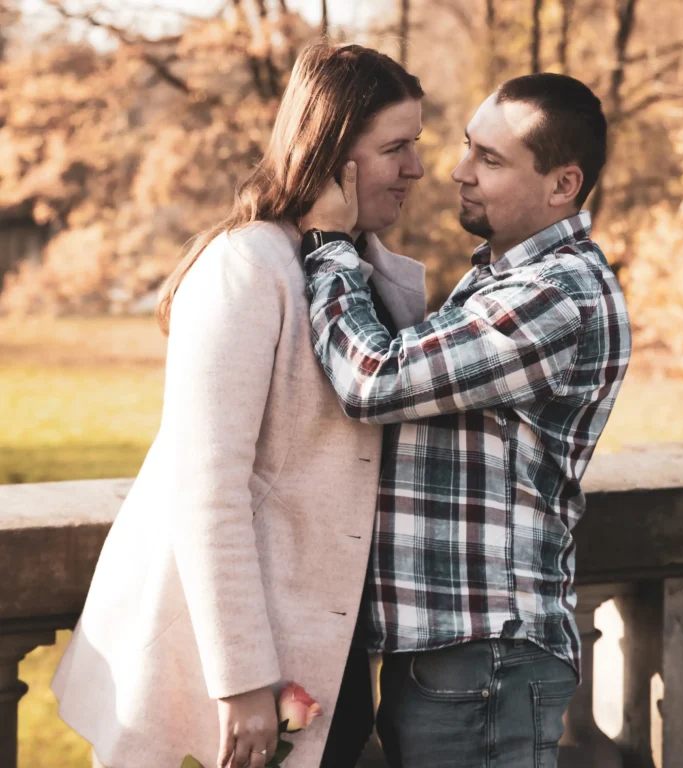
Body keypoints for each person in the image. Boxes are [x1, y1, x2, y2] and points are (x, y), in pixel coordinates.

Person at [51, 41, 426, 768]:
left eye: (417, 144)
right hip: (234, 666)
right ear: (333, 157)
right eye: (395, 148)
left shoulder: (366, 272)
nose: (416, 167)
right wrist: (243, 679)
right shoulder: (246, 267)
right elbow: (208, 489)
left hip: (333, 646)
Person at [299, 72, 632, 767]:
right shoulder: (502, 278)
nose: (458, 172)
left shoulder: (555, 294)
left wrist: (329, 246)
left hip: (486, 659)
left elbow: (374, 379)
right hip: (461, 656)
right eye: (467, 147)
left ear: (563, 185)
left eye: (491, 159)